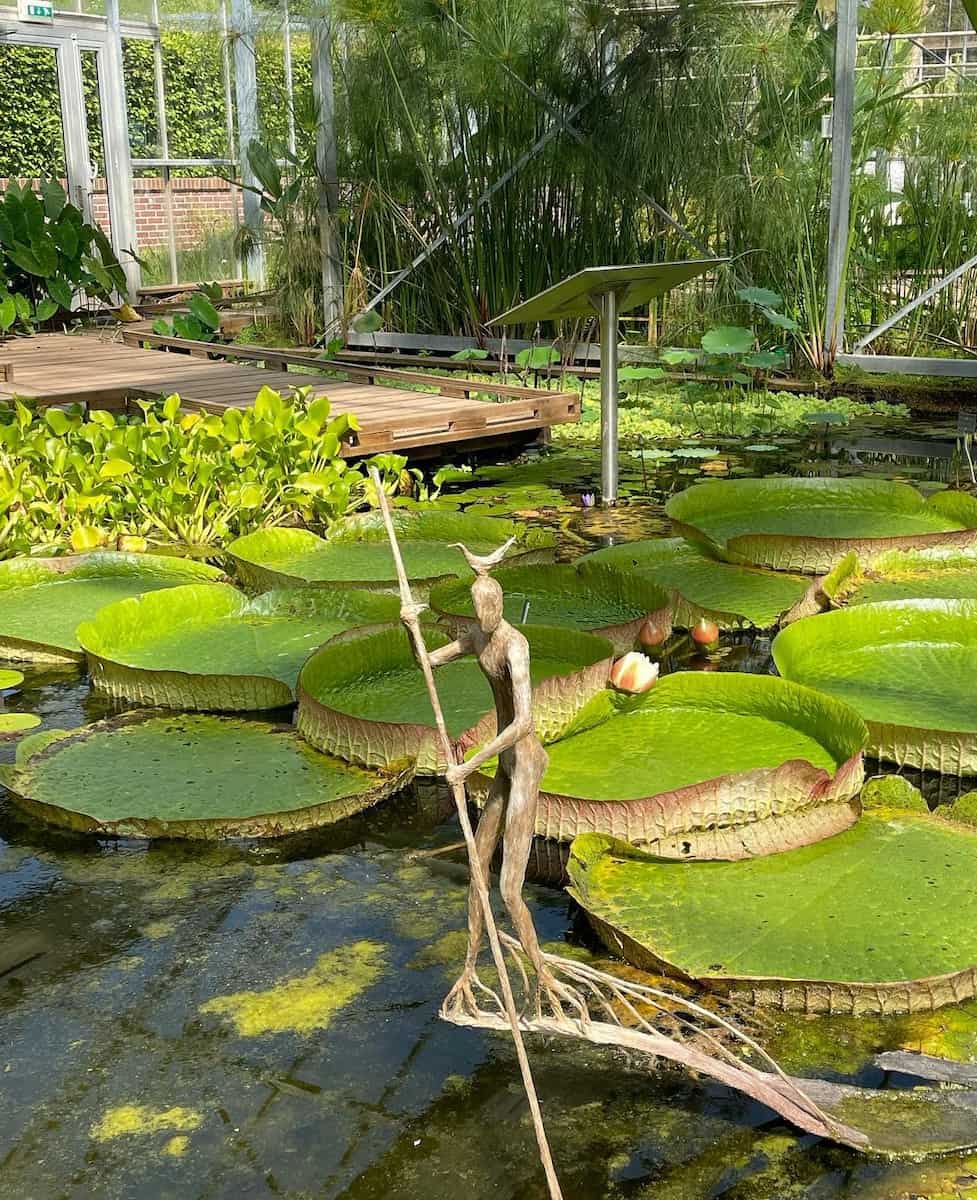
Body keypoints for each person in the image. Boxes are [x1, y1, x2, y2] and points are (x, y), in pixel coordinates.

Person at [403, 545, 584, 1020]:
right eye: (478, 609)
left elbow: (524, 720)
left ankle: (543, 975)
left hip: (522, 763)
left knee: (508, 888)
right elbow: (425, 662)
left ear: (500, 604)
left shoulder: (515, 645)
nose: (485, 616)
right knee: (477, 868)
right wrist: (409, 626)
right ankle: (469, 968)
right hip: (501, 764)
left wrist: (469, 767)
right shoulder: (476, 638)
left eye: (491, 608)